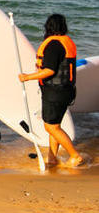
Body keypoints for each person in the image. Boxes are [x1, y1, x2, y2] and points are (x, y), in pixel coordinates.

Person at [19, 13, 83, 167]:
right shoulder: (66, 42)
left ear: (48, 27)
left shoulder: (54, 45)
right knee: (55, 126)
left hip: (55, 92)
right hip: (66, 91)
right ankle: (52, 158)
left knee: (50, 126)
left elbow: (49, 71)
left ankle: (75, 156)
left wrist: (27, 77)